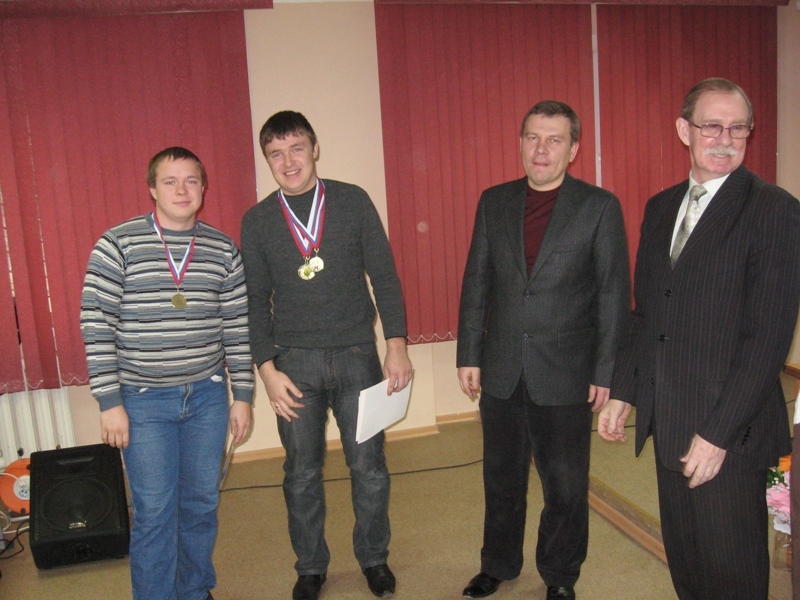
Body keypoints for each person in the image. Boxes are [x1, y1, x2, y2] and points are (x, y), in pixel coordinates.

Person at [598, 78, 800, 600]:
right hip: (669, 420)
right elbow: (647, 314)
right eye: (712, 125)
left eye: (738, 128)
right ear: (683, 130)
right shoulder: (661, 207)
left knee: (732, 576)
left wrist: (717, 435)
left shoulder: (773, 208)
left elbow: (768, 339)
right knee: (688, 568)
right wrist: (624, 390)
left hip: (729, 433)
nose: (725, 139)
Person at [457, 101, 630, 600]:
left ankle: (559, 575)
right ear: (520, 143)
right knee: (501, 480)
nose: (541, 149)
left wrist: (607, 371)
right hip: (502, 367)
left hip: (567, 371)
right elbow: (477, 281)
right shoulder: (494, 201)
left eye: (554, 140)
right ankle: (497, 565)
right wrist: (468, 353)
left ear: (573, 149)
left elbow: (613, 294)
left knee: (565, 487)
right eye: (533, 137)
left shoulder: (599, 206)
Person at [241, 111, 412, 600]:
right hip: (293, 364)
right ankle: (311, 567)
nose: (288, 161)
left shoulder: (352, 200)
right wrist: (267, 371)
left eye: (296, 148)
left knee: (369, 467)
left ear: (314, 149)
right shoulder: (257, 221)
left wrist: (396, 346)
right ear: (268, 160)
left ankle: (374, 558)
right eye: (276, 154)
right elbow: (254, 301)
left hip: (358, 356)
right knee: (300, 473)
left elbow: (384, 276)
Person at [80, 146, 254, 600]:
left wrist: (242, 396)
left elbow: (237, 327)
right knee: (155, 512)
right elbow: (97, 326)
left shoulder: (222, 250)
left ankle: (194, 591)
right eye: (170, 181)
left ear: (203, 188)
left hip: (207, 398)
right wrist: (110, 403)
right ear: (152, 189)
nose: (181, 190)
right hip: (143, 402)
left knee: (200, 505)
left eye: (191, 180)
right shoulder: (117, 245)